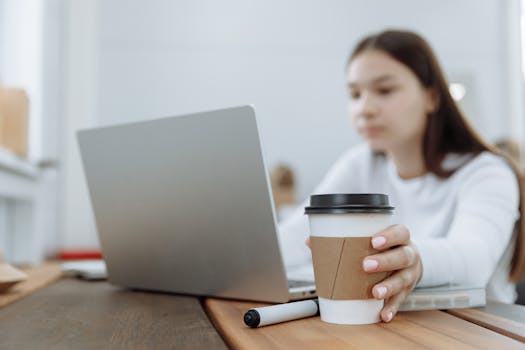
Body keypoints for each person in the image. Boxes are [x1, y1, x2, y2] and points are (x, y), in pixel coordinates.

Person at [277, 29, 525, 323]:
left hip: (476, 329)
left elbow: (473, 259)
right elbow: (291, 242)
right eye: (355, 94)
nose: (364, 109)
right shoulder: (361, 164)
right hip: (392, 327)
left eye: (385, 90)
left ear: (432, 98)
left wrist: (413, 260)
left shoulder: (487, 172)